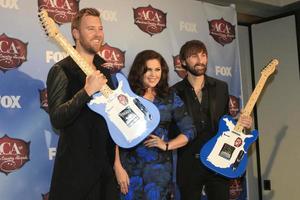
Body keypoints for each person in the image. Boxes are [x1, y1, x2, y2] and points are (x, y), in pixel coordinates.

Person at [46, 8, 119, 200]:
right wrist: (86, 91)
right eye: (91, 29)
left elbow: (114, 123)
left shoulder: (106, 72)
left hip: (106, 173)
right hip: (74, 176)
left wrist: (117, 164)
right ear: (76, 33)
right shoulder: (61, 70)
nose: (98, 34)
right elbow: (57, 118)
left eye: (100, 28)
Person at [172, 40, 253, 200]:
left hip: (218, 161)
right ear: (182, 62)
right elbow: (172, 129)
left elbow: (224, 121)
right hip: (189, 163)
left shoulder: (221, 87)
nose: (200, 60)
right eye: (194, 56)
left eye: (203, 55)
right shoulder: (174, 92)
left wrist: (239, 121)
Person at [113, 50, 196, 200]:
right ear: (140, 71)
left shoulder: (169, 97)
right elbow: (115, 132)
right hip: (129, 169)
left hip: (159, 173)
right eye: (148, 69)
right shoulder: (126, 95)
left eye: (157, 69)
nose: (153, 74)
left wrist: (166, 145)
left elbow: (190, 130)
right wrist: (117, 167)